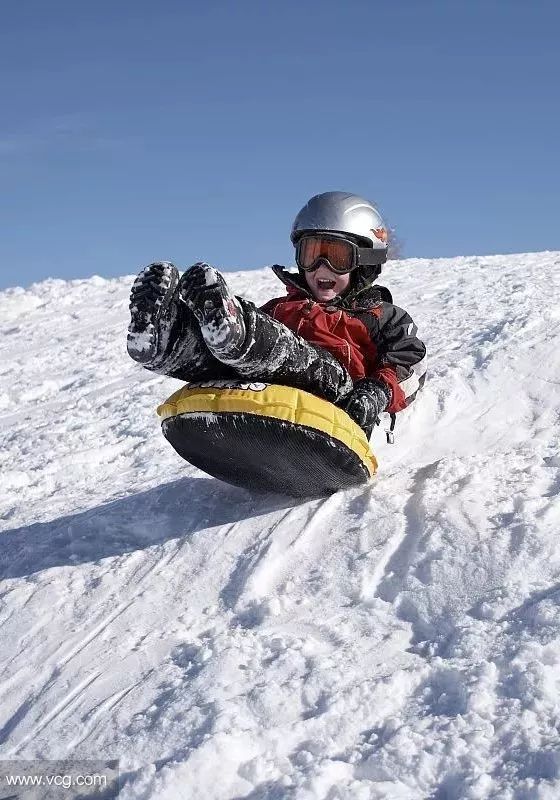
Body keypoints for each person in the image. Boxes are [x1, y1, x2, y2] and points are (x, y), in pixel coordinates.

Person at [127, 191, 426, 438]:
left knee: (297, 357)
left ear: (365, 261)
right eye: (311, 255)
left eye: (336, 257)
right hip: (266, 400)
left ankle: (239, 336)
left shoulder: (382, 316)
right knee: (229, 355)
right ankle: (169, 337)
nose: (321, 267)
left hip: (337, 406)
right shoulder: (282, 308)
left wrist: (376, 392)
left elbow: (410, 368)